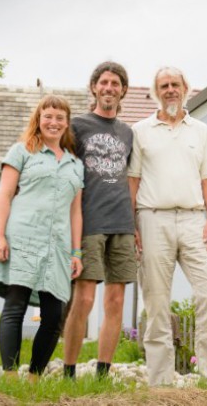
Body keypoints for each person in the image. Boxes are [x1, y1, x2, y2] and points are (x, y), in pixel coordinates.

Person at [128, 66, 207, 386]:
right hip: (152, 217)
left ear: (186, 88)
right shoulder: (140, 130)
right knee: (156, 300)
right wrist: (133, 226)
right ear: (156, 92)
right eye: (164, 85)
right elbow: (133, 181)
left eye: (175, 84)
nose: (170, 89)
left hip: (194, 219)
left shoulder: (201, 131)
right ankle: (160, 383)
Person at [0, 95, 84, 380]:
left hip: (57, 247)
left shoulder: (75, 165)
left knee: (53, 315)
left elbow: (76, 212)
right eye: (48, 116)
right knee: (15, 305)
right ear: (38, 120)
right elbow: (4, 195)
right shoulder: (22, 152)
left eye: (59, 118)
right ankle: (9, 376)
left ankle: (34, 377)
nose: (53, 122)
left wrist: (76, 252)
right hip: (23, 238)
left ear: (67, 123)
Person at [62, 61, 138, 379]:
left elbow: (131, 178)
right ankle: (69, 370)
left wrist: (135, 225)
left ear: (123, 91)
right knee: (85, 297)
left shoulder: (127, 132)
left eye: (115, 84)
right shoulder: (77, 125)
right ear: (94, 87)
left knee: (116, 299)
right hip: (89, 221)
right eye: (104, 82)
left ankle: (103, 373)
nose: (109, 88)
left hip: (121, 222)